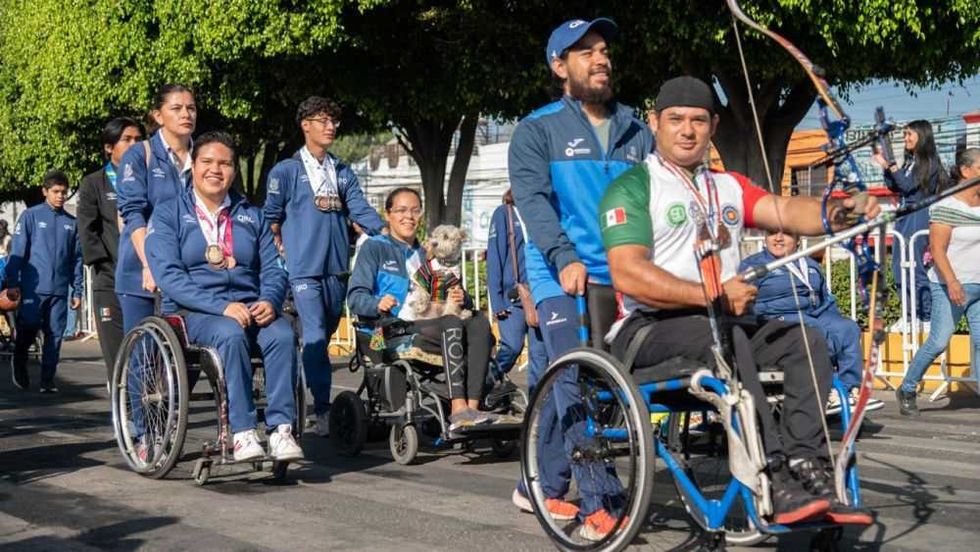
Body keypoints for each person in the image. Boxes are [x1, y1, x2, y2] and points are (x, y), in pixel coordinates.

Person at [600, 76, 880, 526]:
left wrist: (838, 211)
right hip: (648, 329)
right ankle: (773, 477)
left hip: (722, 323)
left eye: (697, 120)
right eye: (675, 120)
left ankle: (807, 468)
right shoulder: (633, 187)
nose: (687, 130)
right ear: (655, 123)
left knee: (806, 339)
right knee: (730, 338)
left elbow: (786, 210)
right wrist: (709, 293)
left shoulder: (728, 186)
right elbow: (629, 274)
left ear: (713, 125)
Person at [509, 17, 653, 538]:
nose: (600, 58)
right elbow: (535, 205)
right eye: (586, 51)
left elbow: (652, 203)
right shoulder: (537, 129)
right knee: (574, 378)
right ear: (559, 66)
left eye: (604, 49)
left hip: (622, 275)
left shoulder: (639, 130)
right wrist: (563, 255)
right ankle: (602, 498)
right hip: (558, 274)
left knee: (562, 379)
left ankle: (538, 487)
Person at [145, 131, 303, 461]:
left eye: (225, 163)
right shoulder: (168, 213)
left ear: (233, 170)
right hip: (192, 313)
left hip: (248, 307)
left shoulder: (252, 215)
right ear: (193, 165)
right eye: (207, 162)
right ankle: (243, 432)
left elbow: (273, 268)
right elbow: (169, 277)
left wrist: (270, 301)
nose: (216, 169)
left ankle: (280, 430)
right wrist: (221, 306)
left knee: (283, 334)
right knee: (229, 333)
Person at [264, 96, 384, 437]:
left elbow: (359, 209)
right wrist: (277, 255)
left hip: (336, 271)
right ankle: (322, 409)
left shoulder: (341, 170)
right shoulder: (286, 171)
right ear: (305, 125)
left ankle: (307, 386)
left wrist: (389, 233)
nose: (330, 126)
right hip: (302, 272)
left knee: (325, 337)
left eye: (334, 121)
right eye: (322, 120)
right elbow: (270, 219)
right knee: (315, 336)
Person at [347, 188, 497, 431]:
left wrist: (463, 298)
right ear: (388, 214)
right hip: (393, 328)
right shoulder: (374, 248)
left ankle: (473, 406)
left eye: (415, 210)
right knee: (452, 322)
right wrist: (377, 303)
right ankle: (457, 409)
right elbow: (355, 297)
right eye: (402, 210)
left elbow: (449, 288)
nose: (409, 216)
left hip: (435, 322)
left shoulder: (427, 252)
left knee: (478, 321)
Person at [740, 231, 885, 415]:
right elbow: (744, 304)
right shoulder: (753, 266)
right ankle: (828, 392)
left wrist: (836, 326)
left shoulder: (809, 264)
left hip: (812, 314)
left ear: (798, 238)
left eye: (785, 234)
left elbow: (825, 300)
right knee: (814, 329)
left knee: (847, 328)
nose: (777, 238)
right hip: (774, 320)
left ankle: (849, 391)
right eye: (771, 233)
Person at [896, 147, 980, 416]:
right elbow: (938, 248)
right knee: (939, 340)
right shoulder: (945, 206)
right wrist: (953, 282)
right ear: (966, 171)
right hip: (948, 285)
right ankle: (908, 387)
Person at [117, 84, 197, 336]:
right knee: (144, 358)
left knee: (186, 362)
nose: (186, 114)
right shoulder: (140, 155)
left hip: (192, 272)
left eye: (191, 108)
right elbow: (133, 214)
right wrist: (149, 264)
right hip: (141, 273)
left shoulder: (205, 157)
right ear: (158, 115)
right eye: (176, 108)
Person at [7, 171, 84, 392]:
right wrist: (13, 282)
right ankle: (19, 360)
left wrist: (77, 290)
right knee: (29, 327)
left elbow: (76, 259)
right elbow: (18, 252)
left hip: (59, 291)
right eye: (56, 192)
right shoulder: (30, 216)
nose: (61, 196)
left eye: (64, 192)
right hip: (33, 289)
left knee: (55, 335)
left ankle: (47, 380)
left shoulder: (72, 223)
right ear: (45, 191)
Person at [78, 117, 143, 381]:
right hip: (110, 278)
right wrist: (105, 265)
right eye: (126, 140)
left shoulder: (149, 180)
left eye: (139, 140)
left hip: (146, 279)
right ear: (109, 147)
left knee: (145, 347)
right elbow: (87, 230)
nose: (134, 145)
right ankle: (123, 401)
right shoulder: (95, 183)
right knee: (117, 351)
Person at [872, 120, 948, 328]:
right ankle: (908, 315)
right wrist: (887, 168)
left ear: (922, 136)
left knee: (916, 267)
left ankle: (925, 317)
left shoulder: (930, 162)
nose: (905, 138)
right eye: (904, 134)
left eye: (909, 135)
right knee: (899, 266)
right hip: (904, 216)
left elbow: (908, 186)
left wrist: (892, 165)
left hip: (920, 215)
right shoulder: (910, 161)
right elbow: (894, 186)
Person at [485, 189, 546, 380]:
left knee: (539, 356)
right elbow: (494, 258)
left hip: (541, 293)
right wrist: (496, 301)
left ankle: (537, 405)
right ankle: (483, 388)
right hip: (513, 296)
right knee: (511, 347)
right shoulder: (505, 213)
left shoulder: (543, 211)